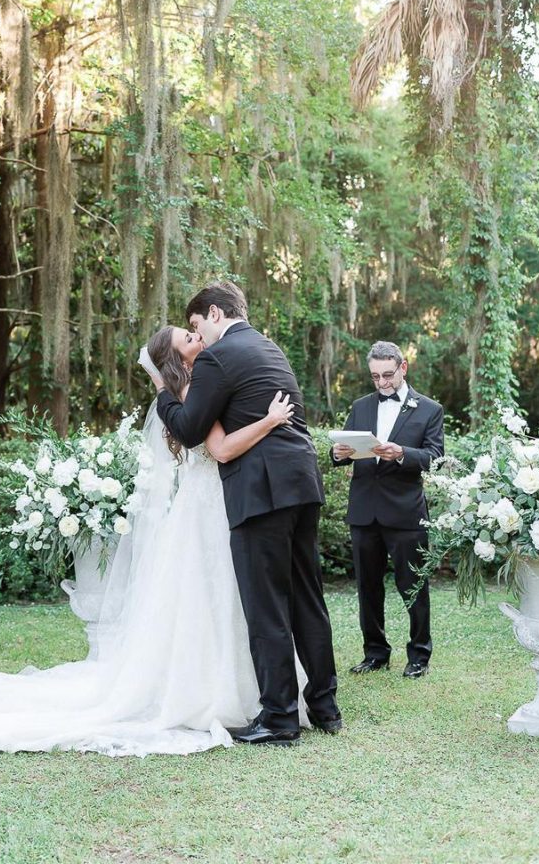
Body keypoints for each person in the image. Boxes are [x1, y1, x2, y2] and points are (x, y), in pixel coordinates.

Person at [0, 328, 295, 758]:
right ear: (175, 354)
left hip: (212, 505)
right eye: (188, 333)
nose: (197, 334)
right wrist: (269, 421)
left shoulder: (194, 381)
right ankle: (214, 690)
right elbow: (219, 448)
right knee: (209, 596)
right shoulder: (190, 387)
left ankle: (250, 688)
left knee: (221, 595)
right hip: (207, 506)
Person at [155, 281, 341, 746]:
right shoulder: (269, 348)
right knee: (307, 600)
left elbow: (191, 429)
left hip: (261, 492)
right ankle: (325, 707)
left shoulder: (220, 357)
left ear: (214, 314)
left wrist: (163, 392)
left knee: (266, 606)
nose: (199, 335)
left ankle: (279, 717)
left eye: (197, 325)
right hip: (301, 483)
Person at [332, 340, 444, 678]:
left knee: (413, 586)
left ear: (403, 367)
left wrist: (403, 454)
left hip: (406, 513)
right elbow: (344, 451)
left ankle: (419, 655)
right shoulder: (361, 405)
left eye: (387, 375)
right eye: (375, 377)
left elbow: (436, 457)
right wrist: (338, 454)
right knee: (368, 587)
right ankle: (375, 652)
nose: (381, 383)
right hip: (364, 511)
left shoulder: (429, 409)